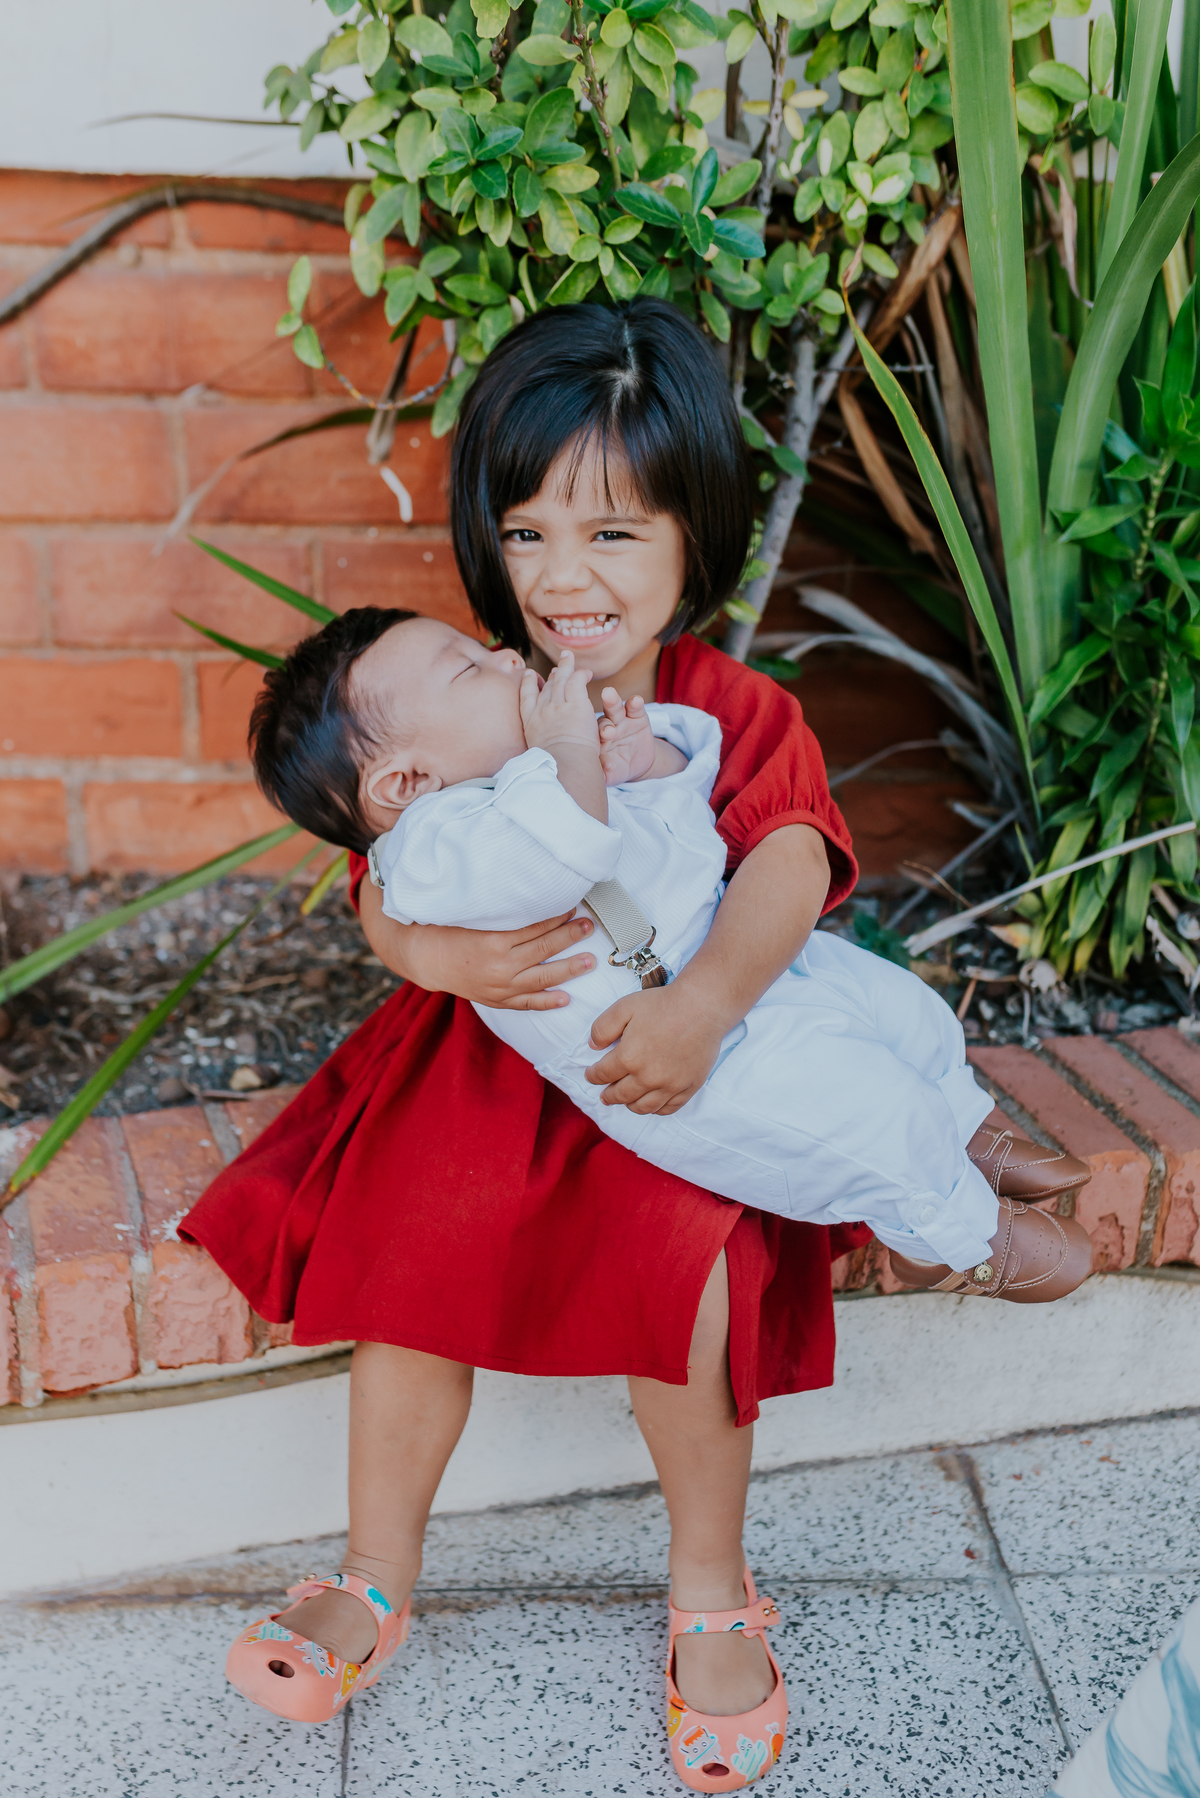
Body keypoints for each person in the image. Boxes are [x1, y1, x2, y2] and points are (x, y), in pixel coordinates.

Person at [183, 301, 1089, 1792]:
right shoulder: (463, 689)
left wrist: (707, 1005)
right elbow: (392, 869)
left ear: (694, 534)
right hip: (500, 1063)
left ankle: (710, 1582)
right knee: (413, 1269)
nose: (562, 579)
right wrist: (430, 952)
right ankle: (371, 1568)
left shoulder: (729, 705)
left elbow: (793, 860)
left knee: (698, 1284)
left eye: (611, 535)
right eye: (527, 536)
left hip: (690, 1052)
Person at [248, 608, 1092, 1299]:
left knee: (900, 1008)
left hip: (731, 969)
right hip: (679, 1068)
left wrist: (644, 761)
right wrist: (573, 752)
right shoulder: (434, 847)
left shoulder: (535, 772)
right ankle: (948, 1238)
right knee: (865, 1116)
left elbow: (684, 832)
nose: (507, 657)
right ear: (404, 785)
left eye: (483, 646)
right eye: (470, 669)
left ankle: (961, 1124)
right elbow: (557, 856)